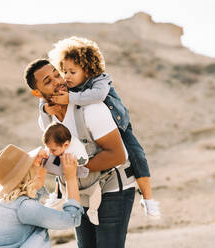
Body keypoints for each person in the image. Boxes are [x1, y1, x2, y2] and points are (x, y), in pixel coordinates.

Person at [38, 36, 160, 218]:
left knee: (136, 155)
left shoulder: (100, 81)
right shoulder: (70, 86)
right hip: (96, 131)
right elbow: (45, 98)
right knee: (65, 151)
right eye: (64, 71)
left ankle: (148, 199)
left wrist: (70, 98)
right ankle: (57, 192)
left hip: (119, 125)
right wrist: (44, 107)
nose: (66, 77)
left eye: (72, 72)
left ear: (87, 70)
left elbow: (97, 96)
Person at [25, 58, 136, 248]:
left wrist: (74, 170)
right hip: (79, 191)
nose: (58, 81)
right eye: (48, 81)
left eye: (56, 74)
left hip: (113, 186)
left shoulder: (91, 110)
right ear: (37, 93)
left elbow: (118, 155)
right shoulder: (47, 120)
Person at [0, 144, 84, 248]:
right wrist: (70, 178)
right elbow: (72, 218)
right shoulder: (24, 208)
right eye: (37, 163)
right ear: (29, 174)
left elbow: (28, 186)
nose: (42, 165)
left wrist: (38, 166)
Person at [42, 122, 102, 225]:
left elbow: (84, 161)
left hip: (88, 180)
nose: (50, 152)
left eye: (53, 149)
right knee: (64, 190)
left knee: (95, 192)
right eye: (49, 149)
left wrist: (73, 163)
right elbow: (50, 155)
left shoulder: (76, 149)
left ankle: (93, 210)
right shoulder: (57, 147)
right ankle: (59, 200)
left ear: (65, 145)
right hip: (69, 183)